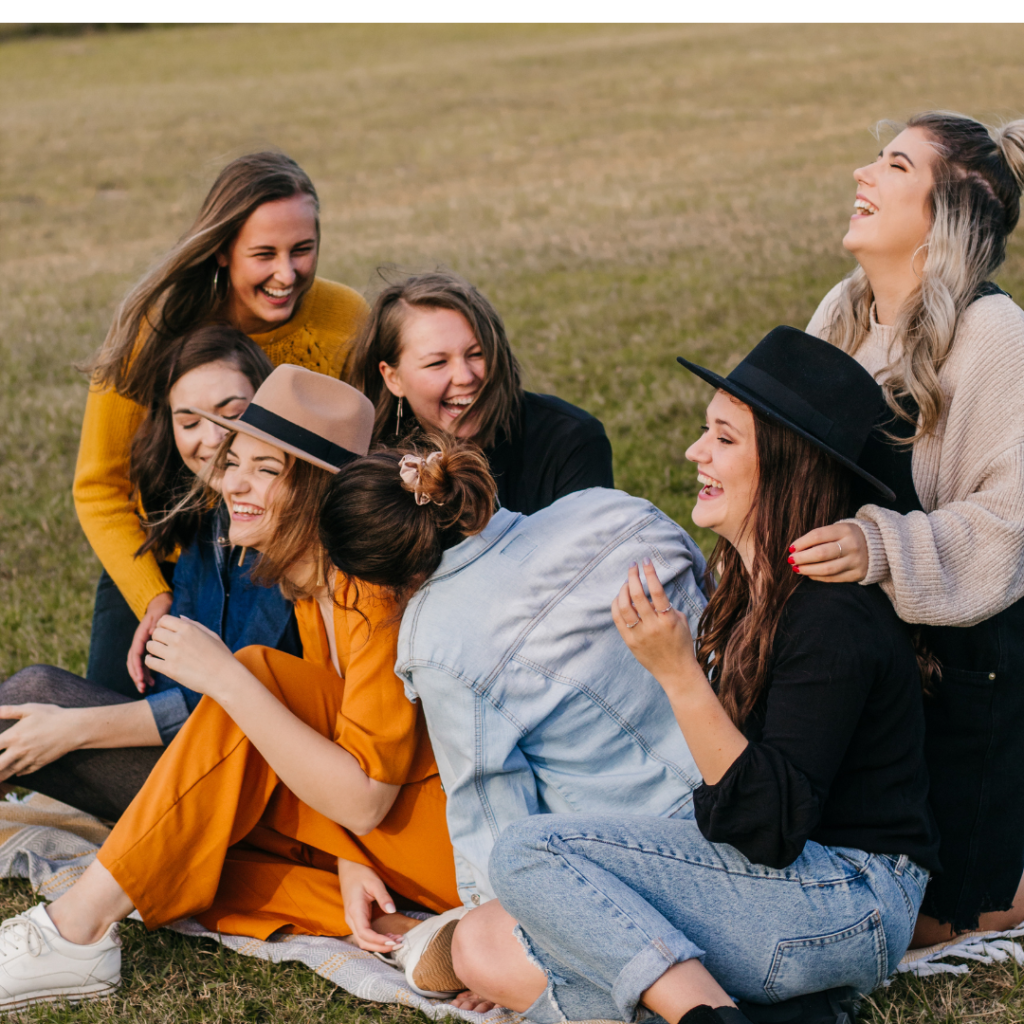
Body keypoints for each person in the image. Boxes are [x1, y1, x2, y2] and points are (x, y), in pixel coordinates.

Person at [443, 328, 939, 1024]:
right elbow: (723, 815)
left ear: (789, 465)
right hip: (778, 890)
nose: (694, 452)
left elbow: (767, 828)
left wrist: (678, 673)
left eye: (724, 439)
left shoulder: (833, 617)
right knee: (481, 940)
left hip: (849, 899)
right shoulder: (746, 589)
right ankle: (776, 1013)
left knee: (527, 853)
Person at [0, 367, 460, 1011]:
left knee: (255, 675)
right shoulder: (310, 586)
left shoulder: (374, 592)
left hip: (450, 840)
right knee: (186, 857)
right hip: (386, 840)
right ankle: (405, 933)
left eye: (266, 471)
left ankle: (75, 932)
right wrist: (351, 860)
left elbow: (364, 800)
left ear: (318, 491)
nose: (233, 483)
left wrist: (224, 676)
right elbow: (339, 748)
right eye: (233, 462)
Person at [790, 111, 1024, 943]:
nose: (862, 173)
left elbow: (1006, 525)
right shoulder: (842, 311)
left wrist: (876, 546)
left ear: (950, 210)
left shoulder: (995, 334)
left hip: (962, 667)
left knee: (938, 920)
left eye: (892, 165)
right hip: (849, 645)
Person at [75, 151, 368, 699]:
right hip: (164, 555)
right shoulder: (156, 329)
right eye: (264, 254)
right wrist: (150, 597)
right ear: (220, 251)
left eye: (302, 250)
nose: (287, 274)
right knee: (109, 721)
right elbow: (98, 489)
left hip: (283, 556)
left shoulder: (345, 318)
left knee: (253, 710)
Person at [0, 326, 299, 821]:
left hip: (258, 792)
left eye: (233, 413)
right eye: (190, 422)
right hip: (198, 759)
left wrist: (75, 729)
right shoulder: (209, 521)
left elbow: (228, 704)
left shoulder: (282, 534)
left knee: (34, 708)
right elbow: (175, 683)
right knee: (31, 698)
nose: (213, 438)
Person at [344, 270, 614, 514]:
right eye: (437, 362)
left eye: (477, 354)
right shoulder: (365, 464)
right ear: (393, 378)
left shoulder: (569, 440)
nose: (465, 377)